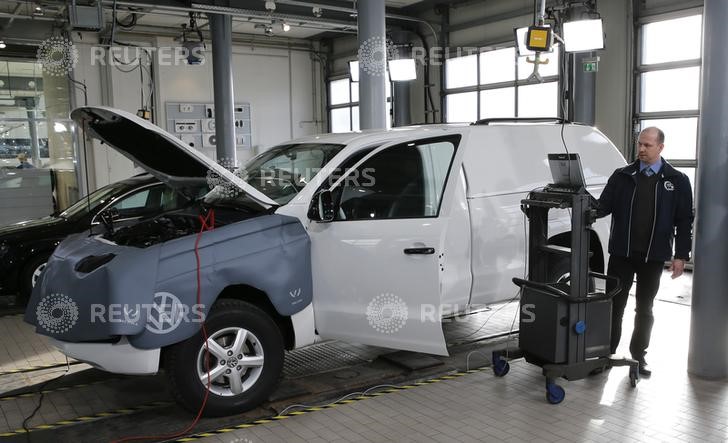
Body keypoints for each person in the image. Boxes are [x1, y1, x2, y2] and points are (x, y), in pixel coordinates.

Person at [596, 126, 694, 377]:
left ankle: (639, 356)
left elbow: (684, 221)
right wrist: (581, 203)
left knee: (645, 308)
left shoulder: (678, 180)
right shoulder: (622, 175)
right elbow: (603, 206)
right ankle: (605, 353)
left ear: (660, 147)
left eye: (647, 145)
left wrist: (681, 256)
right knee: (614, 304)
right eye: (640, 144)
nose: (641, 149)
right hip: (621, 253)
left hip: (654, 255)